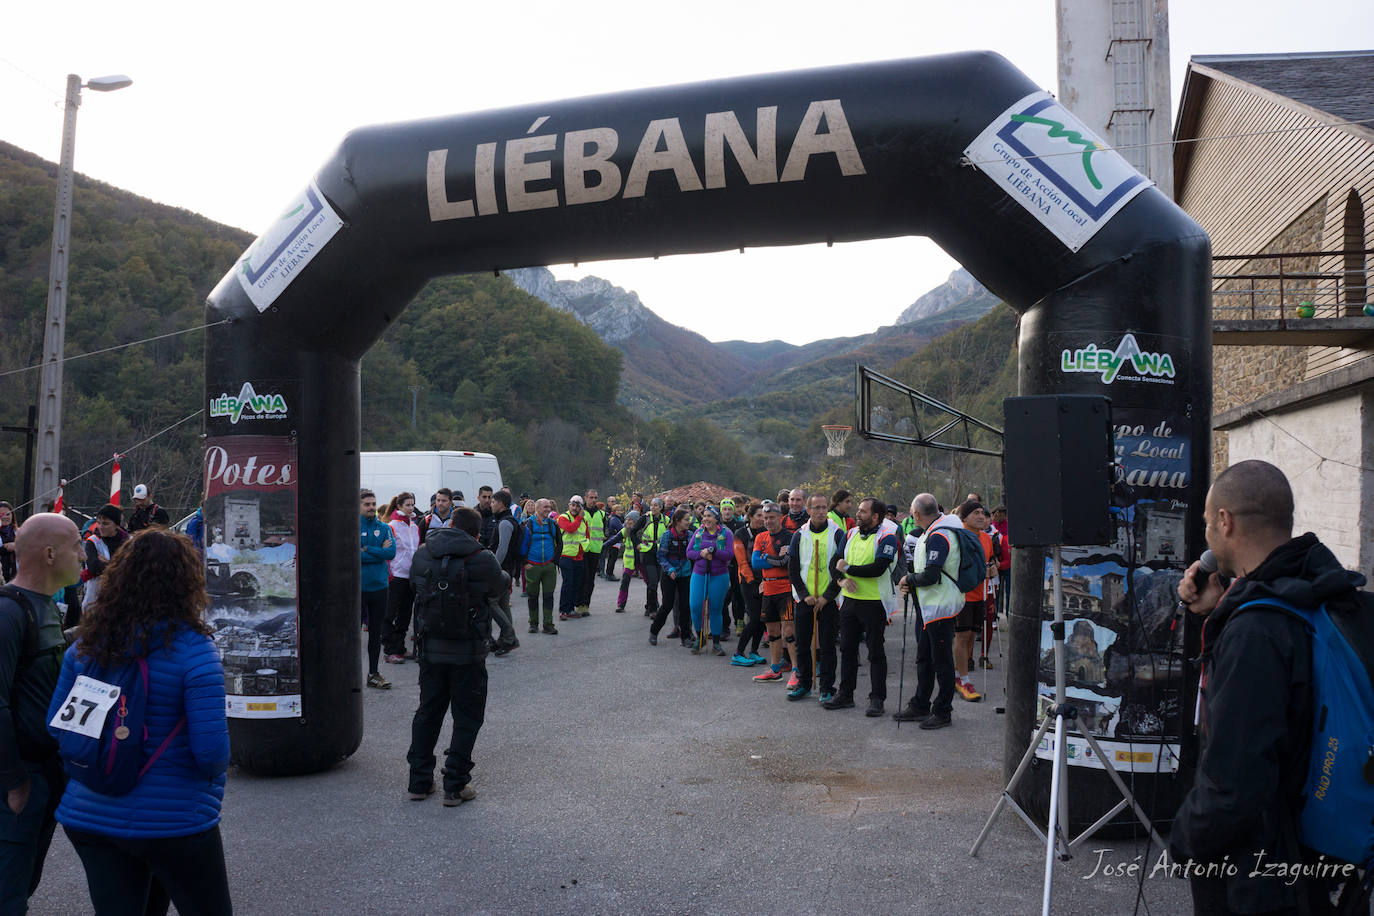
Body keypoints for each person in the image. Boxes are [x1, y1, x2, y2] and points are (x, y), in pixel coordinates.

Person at [1171, 460, 1366, 914]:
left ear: (1225, 521)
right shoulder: (1327, 592)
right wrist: (1221, 606)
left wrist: (1183, 842)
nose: (1206, 536)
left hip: (1264, 874)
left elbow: (1233, 784)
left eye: (1206, 522)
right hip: (1329, 852)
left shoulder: (1255, 631)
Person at [51, 528, 231, 915]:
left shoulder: (85, 645)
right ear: (187, 582)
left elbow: (59, 725)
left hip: (89, 815)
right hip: (175, 820)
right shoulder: (196, 652)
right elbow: (211, 753)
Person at [0, 513, 81, 912]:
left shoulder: (46, 606)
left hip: (47, 774)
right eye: (76, 547)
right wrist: (14, 783)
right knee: (8, 895)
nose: (84, 556)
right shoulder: (7, 613)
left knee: (25, 882)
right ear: (50, 554)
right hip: (19, 781)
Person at [405, 507, 504, 807]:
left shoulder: (423, 553)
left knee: (428, 713)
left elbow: (415, 586)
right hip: (469, 652)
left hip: (431, 648)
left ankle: (419, 782)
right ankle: (455, 784)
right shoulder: (482, 558)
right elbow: (498, 588)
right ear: (476, 533)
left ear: (449, 524)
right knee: (467, 718)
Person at [895, 494, 965, 729]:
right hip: (928, 606)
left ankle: (943, 710)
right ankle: (920, 704)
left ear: (916, 514)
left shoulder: (939, 535)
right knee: (924, 658)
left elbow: (932, 575)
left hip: (941, 607)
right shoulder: (931, 531)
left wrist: (908, 578)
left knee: (942, 662)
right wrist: (911, 582)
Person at [825, 499, 900, 716]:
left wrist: (846, 569)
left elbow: (877, 568)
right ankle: (845, 694)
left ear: (876, 516)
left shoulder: (887, 537)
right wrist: (840, 581)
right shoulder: (850, 534)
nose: (858, 513)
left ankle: (877, 699)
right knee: (847, 649)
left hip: (875, 602)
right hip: (850, 601)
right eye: (858, 510)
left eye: (863, 511)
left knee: (875, 652)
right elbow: (834, 563)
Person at [789, 494, 845, 702]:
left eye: (824, 507)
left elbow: (841, 570)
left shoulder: (838, 534)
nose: (821, 511)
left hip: (828, 600)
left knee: (828, 646)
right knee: (802, 644)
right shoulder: (799, 535)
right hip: (805, 600)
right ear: (809, 510)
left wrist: (827, 596)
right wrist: (804, 595)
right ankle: (803, 683)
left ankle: (827, 688)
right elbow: (793, 570)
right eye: (817, 508)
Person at [952, 500, 995, 703]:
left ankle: (958, 674)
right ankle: (962, 681)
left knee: (970, 636)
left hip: (981, 594)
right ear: (964, 517)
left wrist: (993, 568)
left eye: (982, 513)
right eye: (975, 513)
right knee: (962, 636)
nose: (980, 516)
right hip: (963, 594)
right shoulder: (958, 537)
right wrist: (981, 572)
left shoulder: (987, 538)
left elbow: (990, 561)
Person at [751, 503, 795, 683]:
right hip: (768, 590)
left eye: (771, 517)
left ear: (779, 518)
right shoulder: (760, 536)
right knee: (772, 631)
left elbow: (787, 561)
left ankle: (797, 671)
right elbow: (755, 563)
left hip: (785, 589)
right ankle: (775, 669)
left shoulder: (790, 536)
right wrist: (775, 559)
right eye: (765, 518)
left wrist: (766, 558)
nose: (767, 521)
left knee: (789, 631)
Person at [360, 490, 396, 689]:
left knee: (376, 634)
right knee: (352, 635)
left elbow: (391, 553)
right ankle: (347, 675)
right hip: (357, 589)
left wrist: (368, 549)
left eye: (373, 503)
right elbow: (351, 554)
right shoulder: (351, 526)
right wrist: (378, 552)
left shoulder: (383, 527)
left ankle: (373, 673)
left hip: (380, 588)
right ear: (359, 506)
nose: (372, 507)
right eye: (367, 504)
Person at [686, 508, 733, 657]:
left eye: (709, 516)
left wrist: (713, 551)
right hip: (699, 573)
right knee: (695, 606)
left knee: (715, 608)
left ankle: (717, 643)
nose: (706, 519)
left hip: (719, 575)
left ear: (716, 518)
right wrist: (702, 554)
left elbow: (729, 554)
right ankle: (700, 638)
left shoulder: (726, 533)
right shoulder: (699, 533)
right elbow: (689, 552)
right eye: (704, 516)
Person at [381, 492, 420, 664]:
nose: (411, 508)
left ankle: (400, 646)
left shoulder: (414, 526)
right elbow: (387, 553)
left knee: (405, 613)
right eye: (407, 505)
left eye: (412, 505)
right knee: (390, 613)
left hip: (410, 576)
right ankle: (389, 649)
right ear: (399, 506)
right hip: (396, 575)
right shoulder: (391, 526)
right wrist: (389, 573)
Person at [649, 510, 694, 647]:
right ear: (678, 521)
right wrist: (670, 569)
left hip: (685, 574)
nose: (689, 522)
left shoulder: (691, 535)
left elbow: (693, 553)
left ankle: (686, 636)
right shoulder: (667, 536)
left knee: (685, 606)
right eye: (686, 519)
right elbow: (661, 556)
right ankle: (654, 631)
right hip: (669, 575)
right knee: (667, 604)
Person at [730, 504, 767, 667]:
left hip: (765, 580)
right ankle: (738, 653)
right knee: (754, 618)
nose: (762, 519)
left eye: (764, 516)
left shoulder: (765, 532)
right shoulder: (740, 534)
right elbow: (742, 561)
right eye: (759, 515)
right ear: (750, 516)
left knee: (763, 619)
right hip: (747, 581)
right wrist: (753, 582)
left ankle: (754, 651)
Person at [487, 490, 521, 657]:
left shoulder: (505, 523)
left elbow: (502, 549)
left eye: (493, 502)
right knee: (502, 604)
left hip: (501, 570)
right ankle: (505, 640)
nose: (491, 504)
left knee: (491, 603)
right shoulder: (507, 520)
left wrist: (493, 568)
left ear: (501, 504)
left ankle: (509, 637)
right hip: (507, 569)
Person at [521, 499, 560, 635]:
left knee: (548, 596)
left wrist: (554, 561)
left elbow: (559, 543)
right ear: (537, 508)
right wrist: (525, 562)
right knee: (533, 596)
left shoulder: (552, 524)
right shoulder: (527, 524)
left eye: (549, 507)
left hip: (549, 566)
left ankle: (548, 625)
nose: (548, 509)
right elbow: (520, 545)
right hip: (532, 566)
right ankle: (533, 624)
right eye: (545, 507)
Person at [82, 505, 131, 608]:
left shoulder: (129, 542)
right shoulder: (93, 541)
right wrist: (117, 565)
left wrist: (107, 564)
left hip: (122, 596)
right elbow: (94, 567)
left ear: (117, 525)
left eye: (106, 524)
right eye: (99, 523)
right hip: (95, 597)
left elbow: (131, 570)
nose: (100, 527)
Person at [631, 500, 669, 620]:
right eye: (652, 505)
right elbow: (632, 531)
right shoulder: (645, 518)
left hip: (661, 553)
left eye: (656, 505)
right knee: (652, 581)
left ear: (661, 507)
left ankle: (648, 605)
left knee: (655, 581)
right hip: (647, 553)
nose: (653, 507)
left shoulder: (666, 520)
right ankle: (653, 609)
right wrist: (637, 544)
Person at [554, 496, 590, 621]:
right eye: (573, 505)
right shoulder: (563, 517)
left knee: (576, 584)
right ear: (569, 505)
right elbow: (571, 528)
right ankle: (563, 610)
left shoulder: (584, 521)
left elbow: (586, 535)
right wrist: (579, 517)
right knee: (568, 584)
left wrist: (585, 548)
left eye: (577, 506)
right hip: (566, 556)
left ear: (581, 507)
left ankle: (570, 609)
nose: (574, 508)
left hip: (579, 557)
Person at [602, 509, 640, 613]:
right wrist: (602, 547)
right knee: (625, 582)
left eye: (630, 519)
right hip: (629, 561)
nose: (627, 521)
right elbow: (613, 540)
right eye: (626, 519)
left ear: (636, 521)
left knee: (650, 583)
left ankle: (652, 604)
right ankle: (621, 605)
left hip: (641, 561)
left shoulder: (641, 531)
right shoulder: (624, 531)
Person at [576, 489, 605, 615]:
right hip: (582, 550)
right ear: (585, 498)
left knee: (590, 579)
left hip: (595, 550)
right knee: (582, 577)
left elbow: (606, 531)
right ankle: (578, 603)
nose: (593, 500)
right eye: (591, 497)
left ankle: (586, 605)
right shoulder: (580, 513)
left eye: (595, 498)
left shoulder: (602, 515)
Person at [601, 500, 624, 581]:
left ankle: (609, 573)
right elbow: (622, 529)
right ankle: (609, 574)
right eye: (618, 510)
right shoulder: (615, 519)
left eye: (621, 510)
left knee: (612, 558)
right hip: (614, 541)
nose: (620, 512)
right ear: (614, 511)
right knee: (612, 558)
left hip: (613, 541)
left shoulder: (614, 518)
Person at [0, 504, 16, 585]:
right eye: (1, 515)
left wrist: (17, 546)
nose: (5, 517)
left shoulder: (19, 532)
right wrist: (4, 548)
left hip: (15, 576)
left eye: (8, 514)